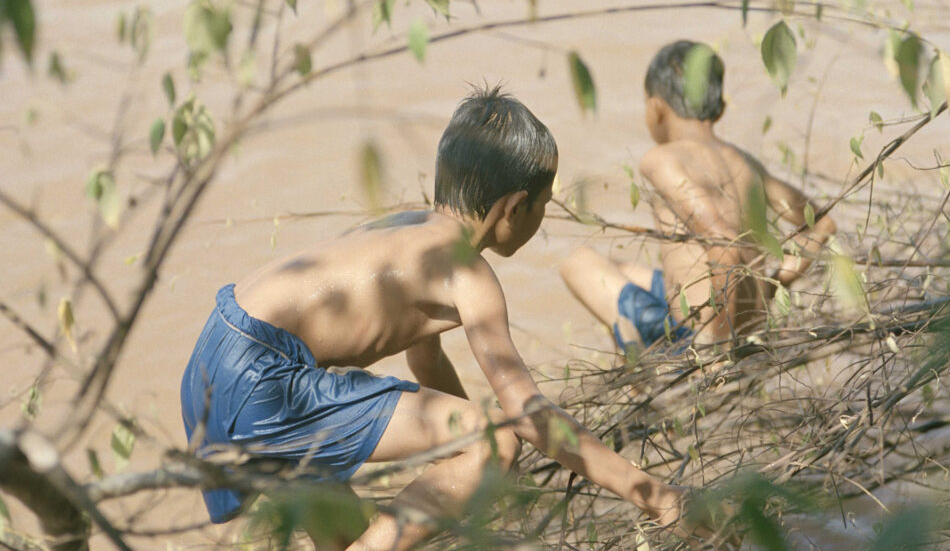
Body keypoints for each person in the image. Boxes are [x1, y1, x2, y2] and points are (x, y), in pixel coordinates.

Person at [181, 86, 694, 551]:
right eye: (543, 206)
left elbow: (425, 356)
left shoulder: (403, 228)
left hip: (218, 350)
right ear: (515, 208)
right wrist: (652, 494)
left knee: (349, 532)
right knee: (494, 440)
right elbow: (526, 413)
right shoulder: (468, 273)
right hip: (268, 376)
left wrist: (465, 463)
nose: (541, 218)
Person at [561, 40, 836, 352]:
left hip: (700, 337)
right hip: (749, 330)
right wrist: (775, 283)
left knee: (577, 262)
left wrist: (713, 348)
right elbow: (823, 224)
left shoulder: (662, 159)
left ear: (656, 108)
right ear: (718, 107)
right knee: (621, 271)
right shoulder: (746, 163)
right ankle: (637, 357)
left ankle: (637, 369)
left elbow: (725, 246)